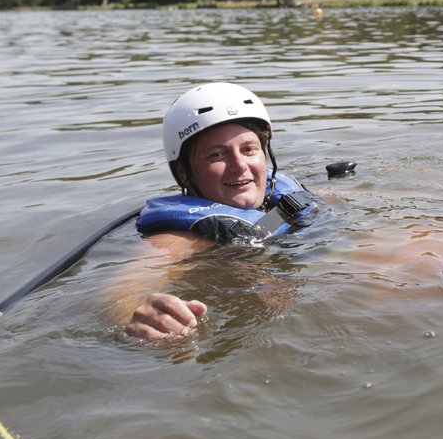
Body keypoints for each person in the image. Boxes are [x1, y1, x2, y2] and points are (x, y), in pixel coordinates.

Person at [122, 83, 317, 340]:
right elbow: (126, 286)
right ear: (184, 172)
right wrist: (142, 317)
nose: (239, 166)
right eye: (217, 155)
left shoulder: (283, 199)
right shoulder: (183, 237)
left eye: (249, 149)